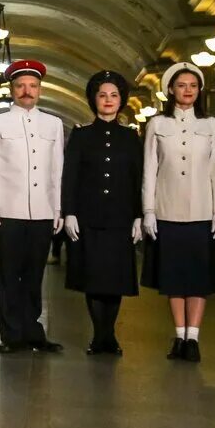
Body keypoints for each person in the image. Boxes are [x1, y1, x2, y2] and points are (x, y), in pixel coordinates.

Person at [141, 62, 215, 363]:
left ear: (199, 90)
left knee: (198, 278)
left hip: (202, 211)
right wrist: (148, 210)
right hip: (167, 210)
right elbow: (149, 171)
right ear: (170, 90)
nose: (187, 90)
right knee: (174, 278)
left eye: (193, 85)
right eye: (181, 85)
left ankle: (194, 338)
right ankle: (179, 335)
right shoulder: (157, 125)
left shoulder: (210, 125)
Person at [0, 59, 65, 354]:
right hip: (9, 212)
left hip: (42, 212)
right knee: (10, 274)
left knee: (35, 274)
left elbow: (57, 171)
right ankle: (12, 335)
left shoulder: (54, 124)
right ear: (12, 89)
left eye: (32, 86)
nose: (27, 91)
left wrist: (57, 209)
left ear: (40, 89)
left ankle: (33, 331)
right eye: (20, 86)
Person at [61, 71, 142, 355]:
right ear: (94, 100)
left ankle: (109, 335)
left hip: (120, 218)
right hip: (89, 218)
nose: (108, 100)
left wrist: (139, 215)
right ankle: (100, 336)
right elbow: (69, 176)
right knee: (94, 279)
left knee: (115, 279)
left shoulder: (131, 137)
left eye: (114, 95)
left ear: (121, 101)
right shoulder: (81, 135)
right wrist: (69, 212)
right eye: (102, 95)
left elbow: (138, 178)